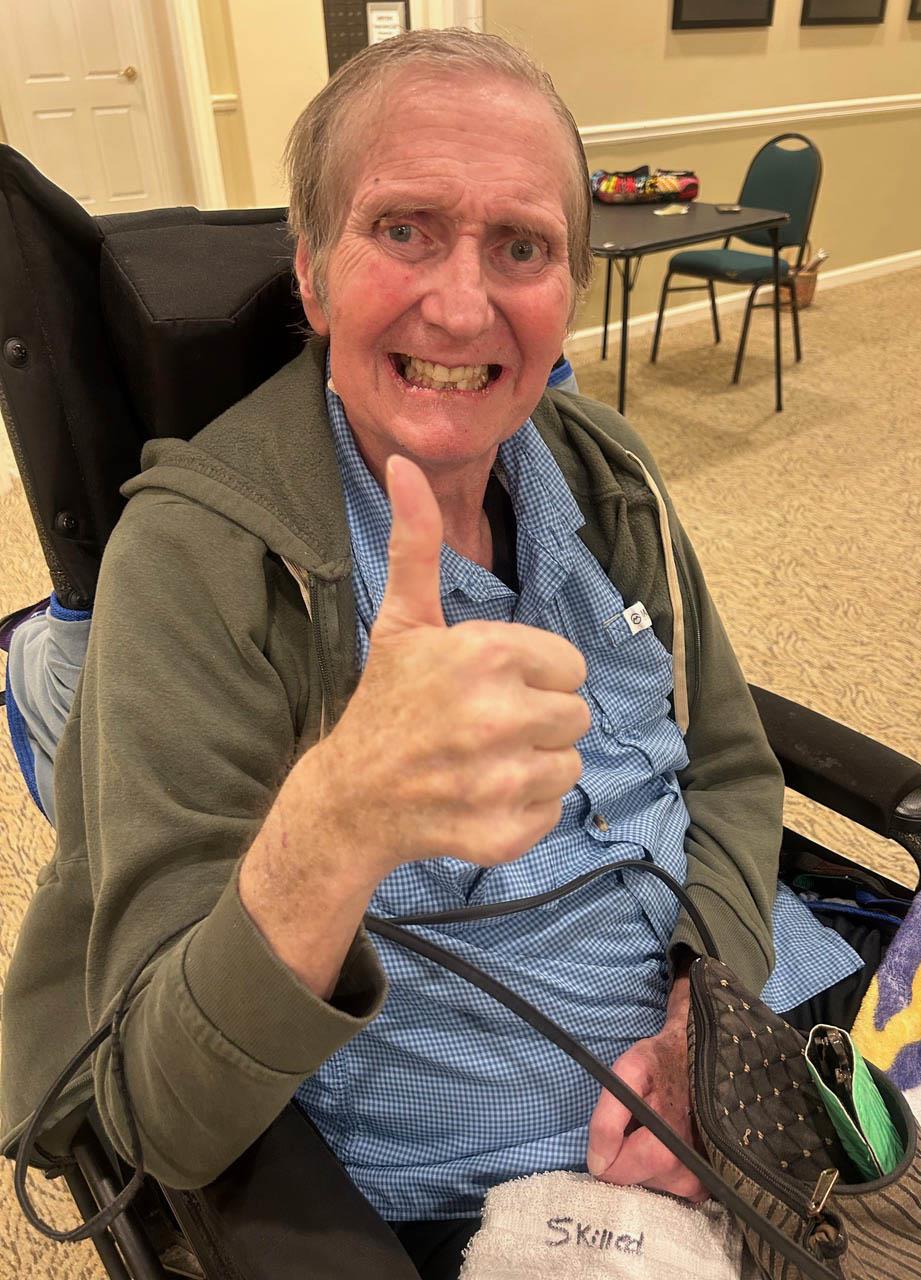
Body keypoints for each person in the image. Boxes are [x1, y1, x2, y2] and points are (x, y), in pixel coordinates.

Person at [1, 29, 870, 1280]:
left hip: (750, 1034)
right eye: (403, 229)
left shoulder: (611, 477)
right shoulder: (197, 561)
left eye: (521, 245)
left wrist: (702, 1026)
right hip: (499, 1188)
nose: (463, 306)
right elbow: (162, 1111)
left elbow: (731, 768)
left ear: (569, 287)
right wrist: (340, 816)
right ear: (312, 274)